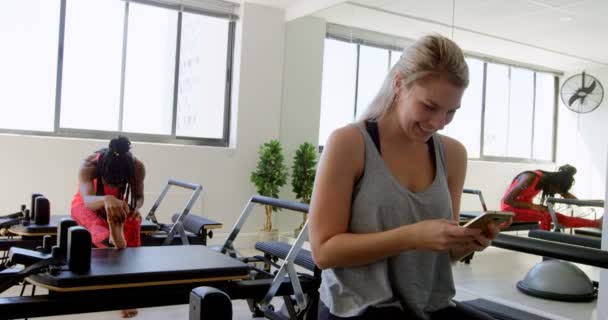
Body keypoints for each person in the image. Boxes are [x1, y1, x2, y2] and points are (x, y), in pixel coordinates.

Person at [308, 34, 509, 320]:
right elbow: (324, 252)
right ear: (400, 83)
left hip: (429, 305)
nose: (439, 123)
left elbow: (443, 253)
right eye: (429, 106)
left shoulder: (452, 154)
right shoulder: (349, 143)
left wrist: (464, 243)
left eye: (451, 111)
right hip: (359, 309)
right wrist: (413, 236)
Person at [70, 135, 145, 318]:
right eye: (109, 182)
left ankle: (128, 290)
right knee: (94, 225)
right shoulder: (88, 165)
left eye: (119, 183)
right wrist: (106, 199)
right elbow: (87, 200)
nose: (114, 185)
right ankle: (112, 238)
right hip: (89, 205)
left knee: (133, 225)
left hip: (117, 205)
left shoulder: (137, 167)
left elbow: (139, 196)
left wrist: (134, 207)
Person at [501, 164, 602, 231]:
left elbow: (567, 195)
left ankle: (596, 223)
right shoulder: (529, 178)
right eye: (557, 190)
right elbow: (508, 200)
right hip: (510, 208)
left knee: (558, 217)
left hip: (525, 208)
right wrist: (533, 206)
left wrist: (583, 203)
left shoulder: (550, 182)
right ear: (555, 183)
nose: (556, 193)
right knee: (547, 216)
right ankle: (544, 243)